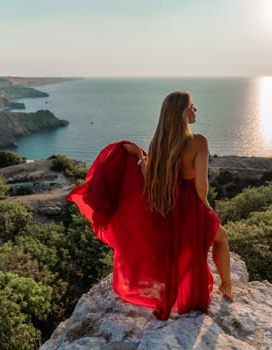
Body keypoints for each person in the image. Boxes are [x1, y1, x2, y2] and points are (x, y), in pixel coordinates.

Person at [67, 91, 232, 320]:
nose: (196, 111)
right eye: (193, 107)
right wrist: (208, 209)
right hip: (192, 206)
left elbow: (150, 179)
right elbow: (201, 187)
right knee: (221, 237)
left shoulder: (160, 144)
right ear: (183, 113)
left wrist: (138, 157)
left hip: (171, 209)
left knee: (179, 252)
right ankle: (227, 285)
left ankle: (189, 289)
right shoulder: (199, 142)